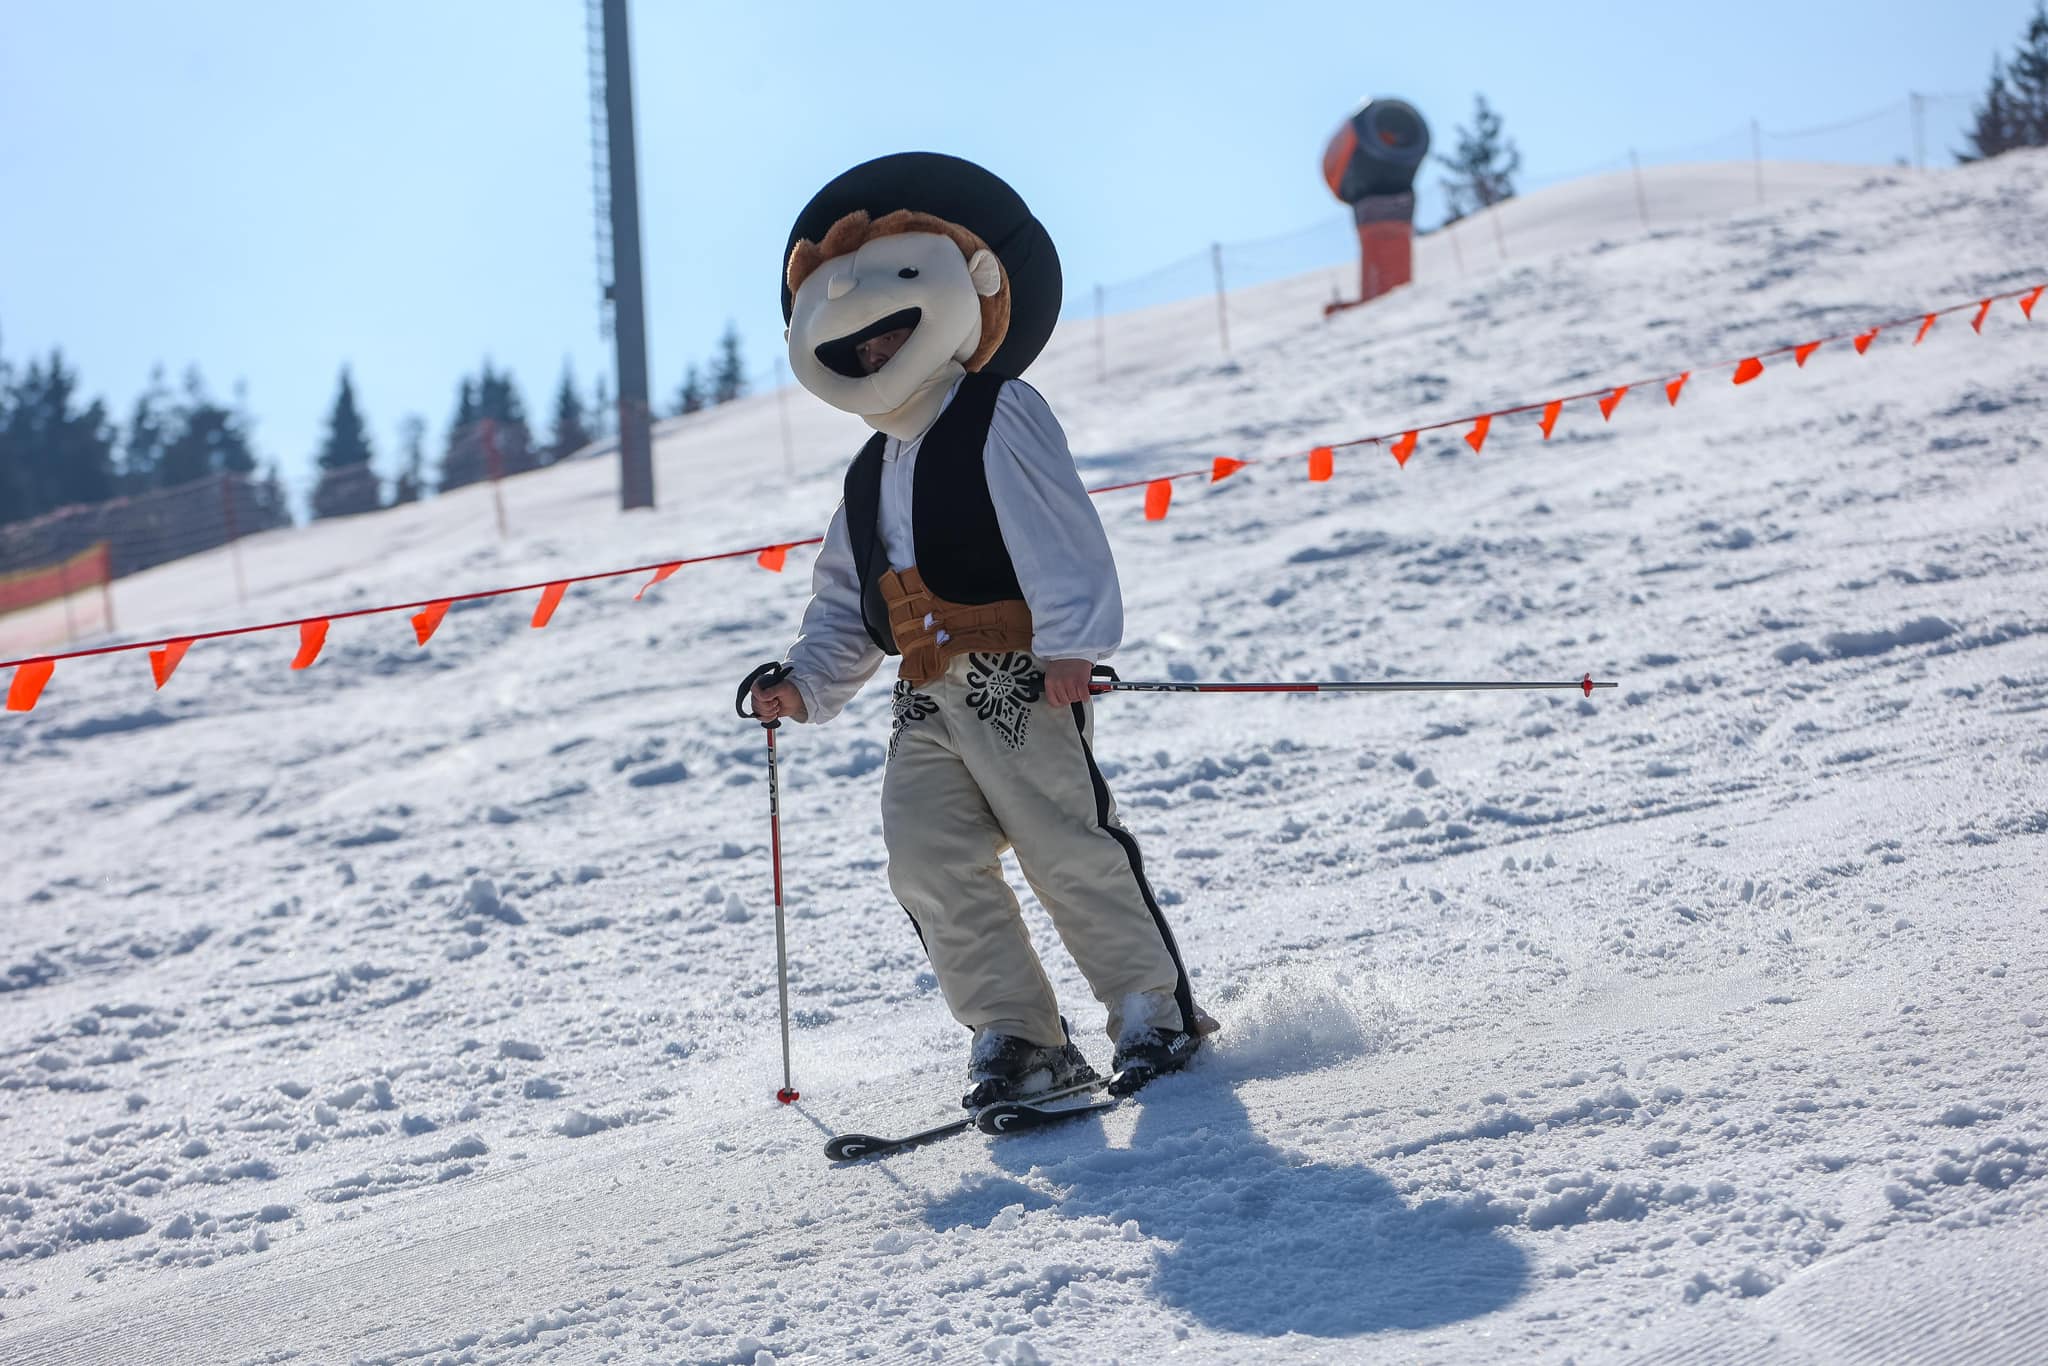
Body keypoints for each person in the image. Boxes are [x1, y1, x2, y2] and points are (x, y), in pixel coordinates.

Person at [749, 154, 1209, 1105]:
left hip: (1019, 676)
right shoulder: (870, 471)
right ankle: (1020, 1034)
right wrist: (805, 679)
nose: (875, 354)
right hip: (925, 692)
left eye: (888, 335)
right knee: (923, 854)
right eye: (860, 346)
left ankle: (1150, 1011)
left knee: (1063, 841)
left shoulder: (999, 410)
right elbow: (848, 599)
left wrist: (1073, 644)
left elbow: (1057, 530)